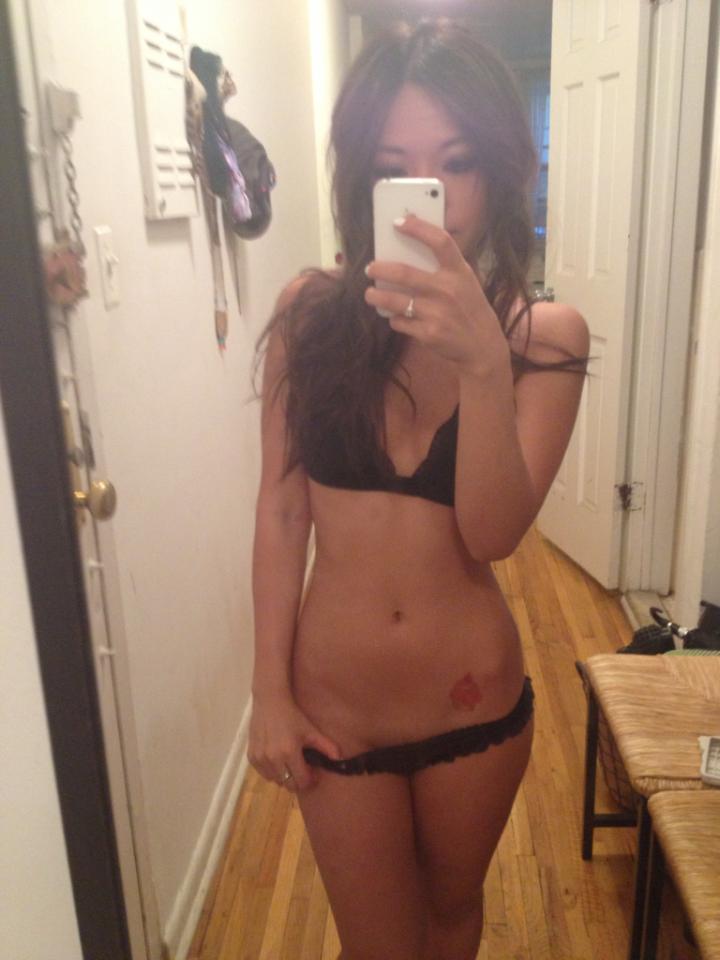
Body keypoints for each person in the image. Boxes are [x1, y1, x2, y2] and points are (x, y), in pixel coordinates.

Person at [249, 17, 588, 960]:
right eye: (395, 166)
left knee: (450, 914)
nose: (429, 196)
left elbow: (491, 535)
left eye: (457, 163)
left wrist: (484, 364)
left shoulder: (544, 338)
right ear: (363, 177)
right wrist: (267, 691)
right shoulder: (308, 316)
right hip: (335, 708)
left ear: (500, 171)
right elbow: (282, 508)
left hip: (471, 706)